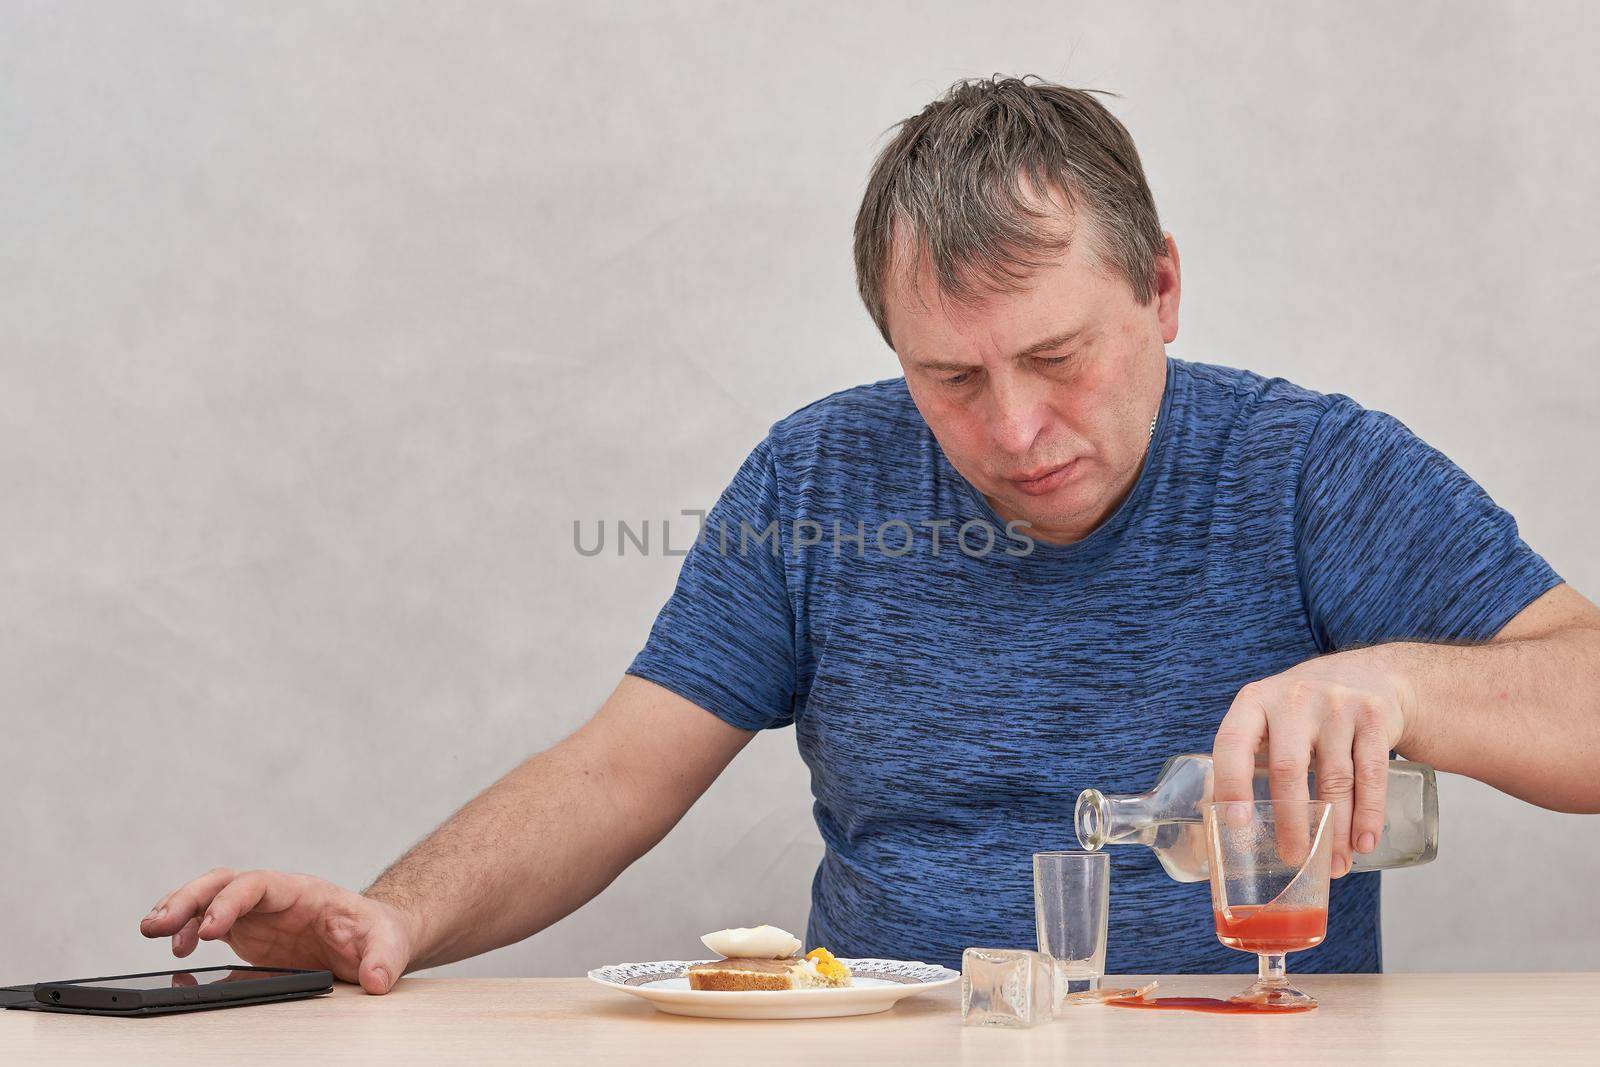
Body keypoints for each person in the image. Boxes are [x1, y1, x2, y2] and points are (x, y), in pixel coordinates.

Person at [140, 76, 1600, 992]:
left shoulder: (1308, 466)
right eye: (950, 378)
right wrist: (390, 918)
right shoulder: (822, 473)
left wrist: (1406, 688)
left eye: (1060, 357)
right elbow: (613, 770)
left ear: (1160, 290)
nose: (1015, 431)